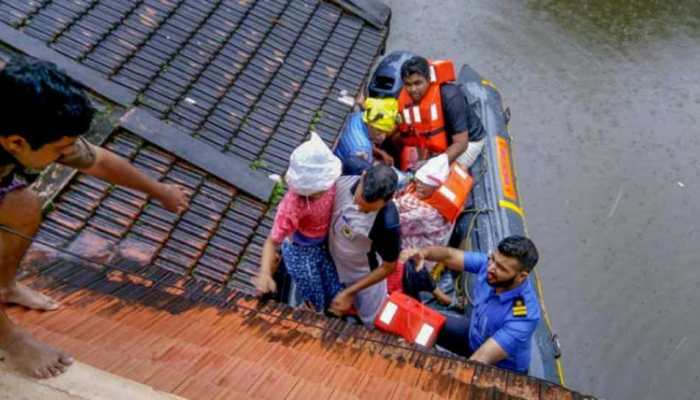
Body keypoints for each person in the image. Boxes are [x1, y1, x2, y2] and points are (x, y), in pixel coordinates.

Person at [0, 57, 189, 379]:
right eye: (60, 150)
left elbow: (97, 161)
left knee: (24, 204)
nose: (65, 155)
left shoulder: (23, 116)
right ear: (15, 142)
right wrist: (13, 340)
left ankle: (4, 286)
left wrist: (157, 190)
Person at [401, 236, 540, 374]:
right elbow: (449, 255)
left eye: (501, 268)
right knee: (425, 321)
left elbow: (481, 358)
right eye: (492, 259)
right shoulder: (489, 266)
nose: (490, 268)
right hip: (474, 335)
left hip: (500, 369)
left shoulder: (523, 316)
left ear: (521, 276)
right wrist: (424, 253)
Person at [255, 133, 344, 312]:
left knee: (335, 289)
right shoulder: (293, 205)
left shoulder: (332, 183)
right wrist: (264, 273)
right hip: (300, 251)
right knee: (314, 295)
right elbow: (271, 242)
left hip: (324, 243)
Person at [327, 164, 399, 326]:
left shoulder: (388, 224)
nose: (358, 209)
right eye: (358, 201)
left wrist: (350, 292)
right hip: (333, 261)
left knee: (372, 321)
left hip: (363, 276)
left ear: (389, 199)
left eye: (367, 210)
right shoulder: (346, 172)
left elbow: (388, 267)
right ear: (363, 176)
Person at [388, 154, 460, 305]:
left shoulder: (426, 212)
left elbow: (396, 224)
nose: (419, 185)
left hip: (420, 254)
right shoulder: (420, 197)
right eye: (418, 182)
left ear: (437, 187)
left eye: (424, 184)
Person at [398, 56, 486, 171]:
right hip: (444, 139)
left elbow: (461, 143)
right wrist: (422, 161)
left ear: (429, 79)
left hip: (469, 141)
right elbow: (417, 134)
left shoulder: (450, 96)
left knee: (441, 177)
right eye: (408, 84)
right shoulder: (406, 99)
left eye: (418, 83)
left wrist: (434, 165)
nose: (413, 89)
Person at [334, 97, 399, 175]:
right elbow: (363, 172)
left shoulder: (362, 116)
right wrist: (381, 165)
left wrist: (381, 152)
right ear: (370, 124)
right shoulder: (362, 148)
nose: (383, 137)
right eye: (380, 130)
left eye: (386, 131)